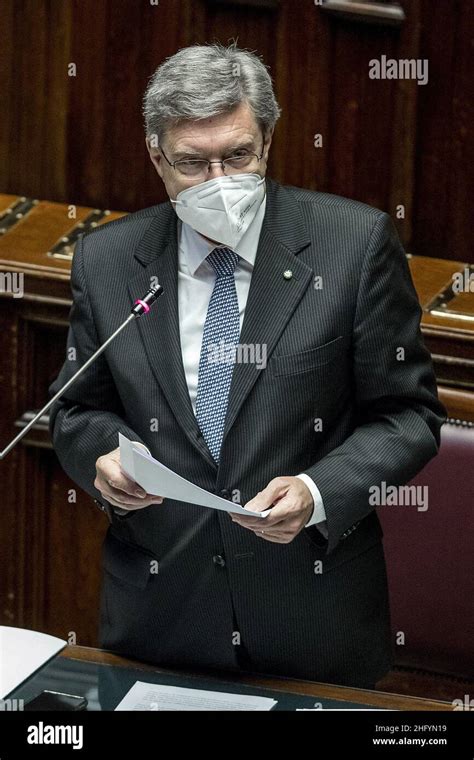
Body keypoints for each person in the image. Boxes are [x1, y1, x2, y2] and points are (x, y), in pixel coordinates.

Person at [49, 43, 446, 688]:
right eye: (192, 163)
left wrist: (319, 493)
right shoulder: (108, 260)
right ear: (157, 157)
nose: (217, 182)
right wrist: (103, 457)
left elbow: (409, 416)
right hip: (159, 619)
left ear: (268, 140)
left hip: (309, 620)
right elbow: (74, 410)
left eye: (237, 156)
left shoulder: (354, 246)